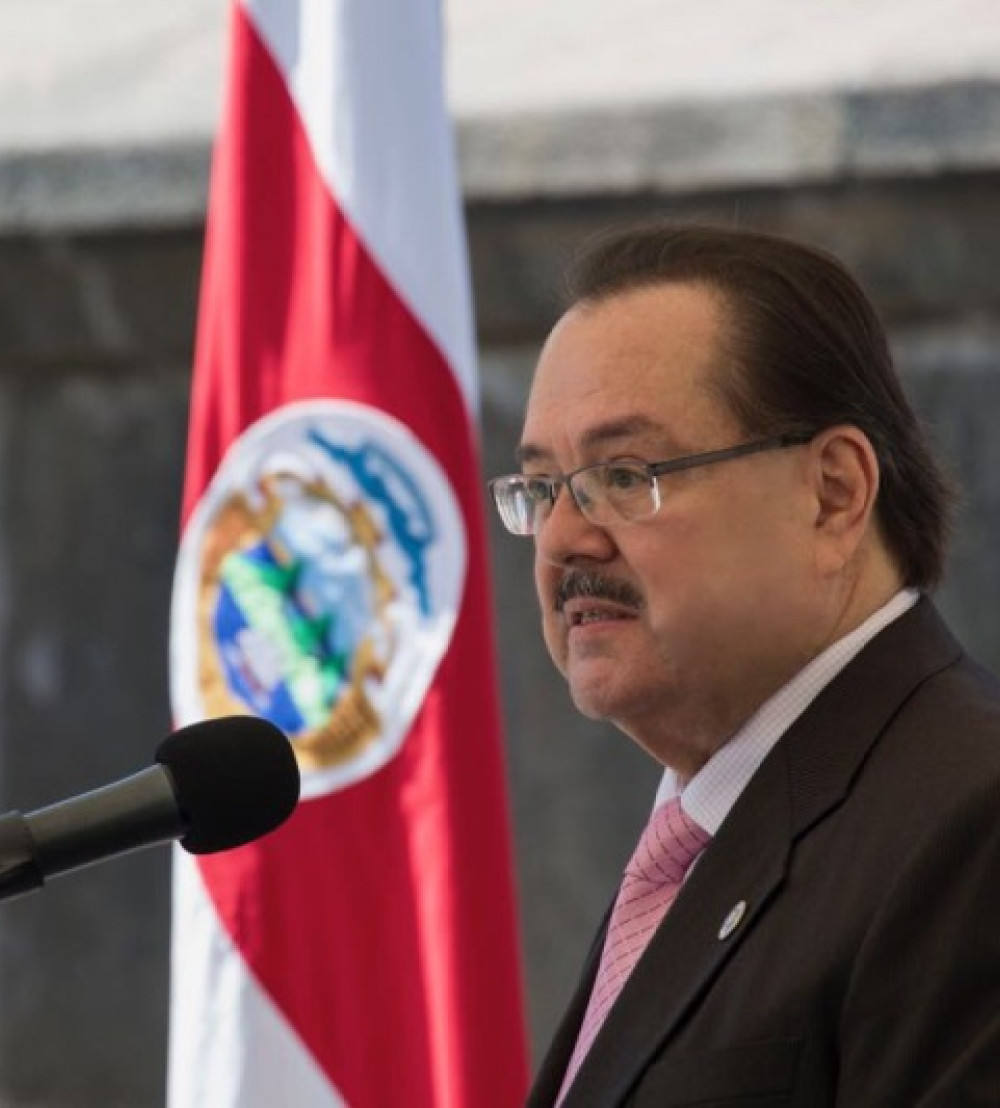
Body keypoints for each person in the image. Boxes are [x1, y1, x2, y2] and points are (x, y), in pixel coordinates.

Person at [489, 224, 1000, 1106]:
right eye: (541, 488)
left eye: (624, 473)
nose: (566, 539)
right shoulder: (696, 838)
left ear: (833, 493)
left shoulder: (971, 819)